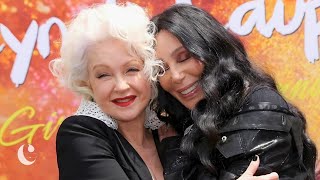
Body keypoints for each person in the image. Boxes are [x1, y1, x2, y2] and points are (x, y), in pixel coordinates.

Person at [152, 4, 317, 180]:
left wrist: (172, 153)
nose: (175, 76)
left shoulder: (258, 106)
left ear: (212, 48)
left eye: (184, 57)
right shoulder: (189, 120)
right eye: (162, 69)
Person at [50, 3, 166, 180]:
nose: (121, 86)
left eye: (131, 69)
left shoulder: (170, 132)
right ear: (87, 83)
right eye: (103, 75)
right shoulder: (79, 134)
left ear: (151, 70)